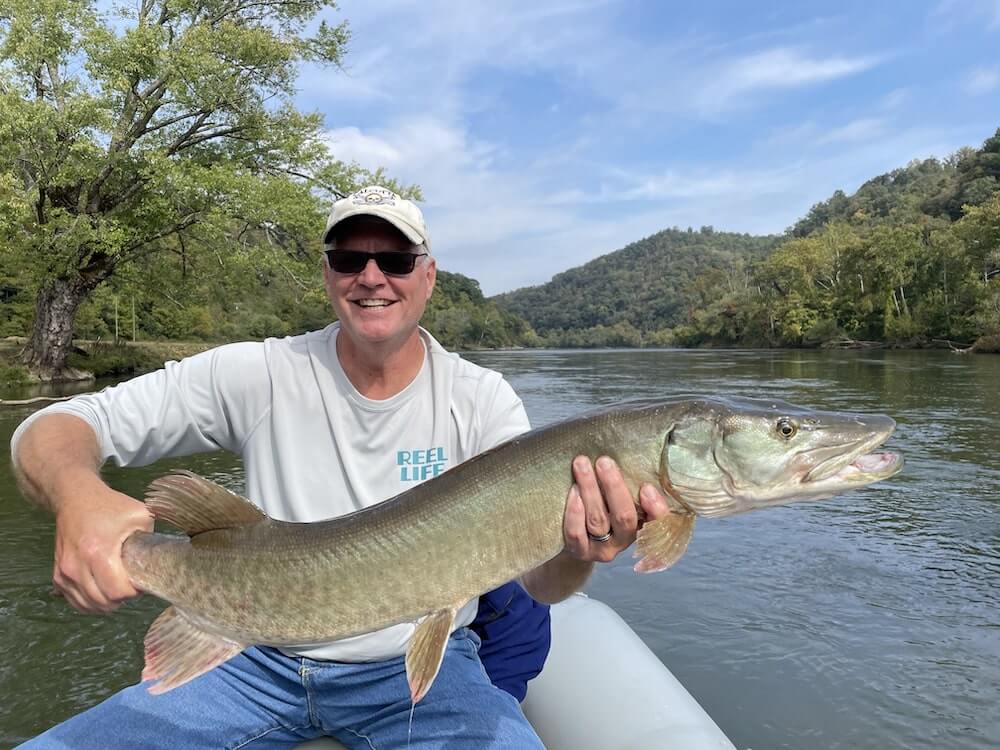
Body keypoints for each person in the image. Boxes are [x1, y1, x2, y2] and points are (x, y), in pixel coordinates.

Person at [11, 185, 671, 748]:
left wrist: (582, 551)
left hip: (419, 676)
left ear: (428, 275)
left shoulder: (481, 400)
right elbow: (53, 427)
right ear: (328, 274)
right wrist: (77, 495)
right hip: (249, 661)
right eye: (350, 258)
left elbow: (544, 585)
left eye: (396, 259)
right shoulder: (258, 372)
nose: (372, 276)